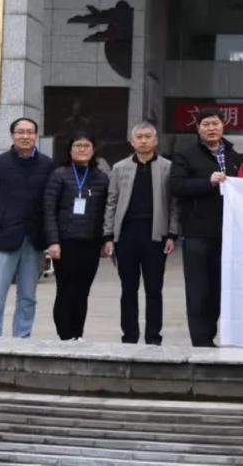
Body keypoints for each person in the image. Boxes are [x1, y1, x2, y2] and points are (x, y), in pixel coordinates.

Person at [169, 107, 243, 348]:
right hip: (197, 233)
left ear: (223, 126)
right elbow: (177, 186)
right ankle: (200, 341)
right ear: (198, 128)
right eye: (206, 124)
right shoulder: (185, 155)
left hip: (228, 234)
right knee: (197, 290)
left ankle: (210, 334)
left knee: (218, 290)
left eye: (215, 123)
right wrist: (207, 182)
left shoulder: (233, 156)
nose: (211, 128)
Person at [0, 117, 54, 338]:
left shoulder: (47, 165)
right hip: (3, 237)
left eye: (30, 132)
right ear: (12, 136)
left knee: (28, 296)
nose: (25, 136)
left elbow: (52, 202)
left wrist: (51, 237)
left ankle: (22, 338)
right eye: (20, 132)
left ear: (36, 136)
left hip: (34, 239)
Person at [102, 123, 178, 345]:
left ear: (155, 141)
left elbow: (174, 204)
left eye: (147, 137)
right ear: (132, 141)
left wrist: (172, 233)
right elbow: (111, 202)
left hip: (156, 236)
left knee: (154, 289)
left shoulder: (167, 167)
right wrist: (108, 235)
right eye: (139, 137)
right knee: (128, 289)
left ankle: (153, 337)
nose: (143, 141)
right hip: (126, 236)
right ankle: (129, 336)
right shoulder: (120, 168)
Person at [43, 131, 110, 342]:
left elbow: (106, 210)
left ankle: (78, 334)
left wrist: (106, 238)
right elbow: (49, 209)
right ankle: (65, 336)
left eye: (86, 146)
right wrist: (53, 241)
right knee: (66, 290)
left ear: (94, 150)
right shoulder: (59, 175)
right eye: (78, 145)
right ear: (70, 150)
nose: (82, 149)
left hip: (90, 242)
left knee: (83, 291)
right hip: (66, 241)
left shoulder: (101, 178)